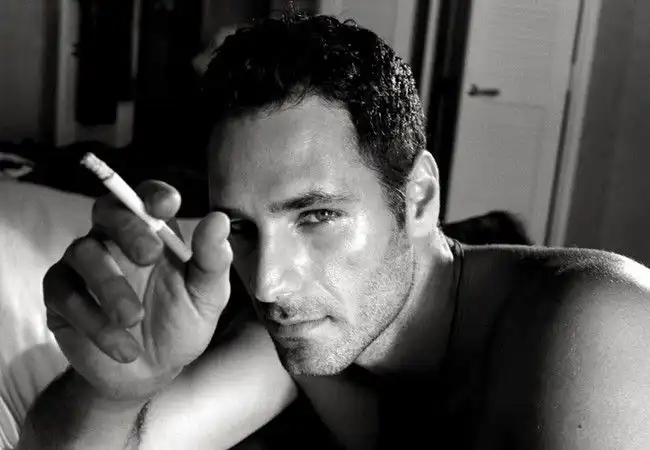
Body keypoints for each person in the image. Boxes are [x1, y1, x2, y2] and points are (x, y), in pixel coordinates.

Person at [18, 13, 650, 450]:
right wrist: (113, 388)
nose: (268, 282)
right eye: (243, 227)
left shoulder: (603, 322)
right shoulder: (303, 339)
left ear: (420, 197)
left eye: (316, 216)